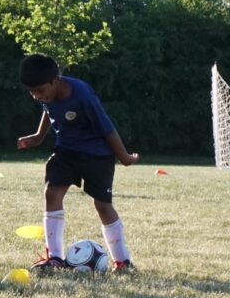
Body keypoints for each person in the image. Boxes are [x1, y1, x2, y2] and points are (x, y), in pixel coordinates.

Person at [16, 53, 139, 274]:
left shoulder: (81, 94)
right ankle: (54, 257)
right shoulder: (47, 95)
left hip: (96, 154)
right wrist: (38, 136)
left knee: (102, 205)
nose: (37, 96)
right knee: (52, 193)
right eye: (32, 92)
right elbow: (48, 109)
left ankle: (122, 261)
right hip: (66, 151)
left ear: (55, 80)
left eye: (40, 90)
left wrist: (124, 157)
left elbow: (106, 127)